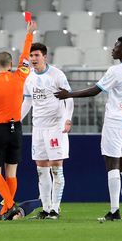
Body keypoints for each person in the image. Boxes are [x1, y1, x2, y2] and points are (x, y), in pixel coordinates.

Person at [54, 36, 122, 221]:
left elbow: (95, 91)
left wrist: (67, 95)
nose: (113, 49)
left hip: (115, 121)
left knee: (112, 164)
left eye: (117, 46)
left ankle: (114, 210)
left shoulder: (115, 70)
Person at [0, 21, 36, 220]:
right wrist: (29, 35)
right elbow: (26, 57)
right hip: (17, 129)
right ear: (11, 64)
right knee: (11, 173)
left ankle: (10, 205)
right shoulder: (20, 77)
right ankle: (7, 209)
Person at [21, 43, 74, 219]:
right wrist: (17, 120)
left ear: (45, 57)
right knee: (41, 169)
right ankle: (45, 208)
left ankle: (55, 209)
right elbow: (27, 101)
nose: (33, 59)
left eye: (36, 55)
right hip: (38, 128)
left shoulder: (56, 75)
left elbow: (69, 98)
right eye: (31, 56)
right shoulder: (29, 78)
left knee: (56, 168)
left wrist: (67, 118)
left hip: (55, 127)